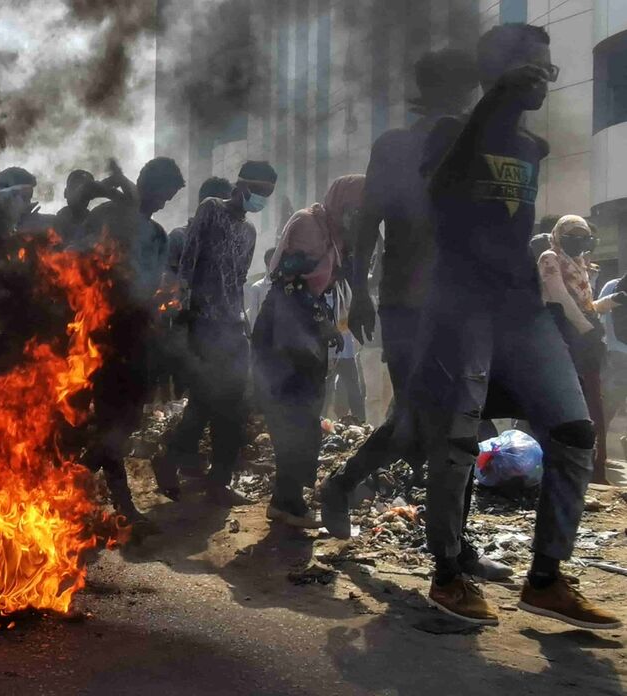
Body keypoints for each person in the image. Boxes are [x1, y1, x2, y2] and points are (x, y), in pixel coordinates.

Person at [409, 24, 620, 628]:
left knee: (576, 433)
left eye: (547, 73)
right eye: (530, 71)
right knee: (456, 444)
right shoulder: (456, 132)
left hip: (520, 310)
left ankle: (546, 579)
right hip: (461, 307)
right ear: (495, 73)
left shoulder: (531, 146)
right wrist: (494, 102)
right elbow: (441, 194)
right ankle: (448, 572)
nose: (542, 84)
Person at [322, 48, 483, 542]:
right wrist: (361, 292)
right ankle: (452, 545)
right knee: (426, 420)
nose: (463, 97)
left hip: (460, 304)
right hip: (407, 304)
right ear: (437, 92)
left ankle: (347, 487)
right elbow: (369, 218)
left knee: (450, 421)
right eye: (457, 88)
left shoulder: (471, 142)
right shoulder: (395, 146)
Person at [154, 162, 274, 504]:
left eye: (267, 195)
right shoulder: (211, 210)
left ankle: (217, 480)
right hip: (202, 322)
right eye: (260, 192)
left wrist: (243, 323)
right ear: (242, 186)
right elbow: (188, 265)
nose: (261, 200)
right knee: (207, 398)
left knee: (234, 406)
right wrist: (182, 319)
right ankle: (171, 458)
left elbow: (237, 282)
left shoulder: (249, 233)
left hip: (231, 326)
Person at [77, 157, 184, 527]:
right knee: (110, 420)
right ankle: (116, 502)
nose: (164, 202)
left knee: (126, 420)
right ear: (144, 183)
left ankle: (73, 480)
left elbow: (152, 284)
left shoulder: (156, 234)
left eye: (169, 198)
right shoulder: (109, 215)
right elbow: (75, 259)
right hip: (100, 333)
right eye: (162, 193)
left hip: (136, 334)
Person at [252, 175, 363, 526]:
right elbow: (290, 283)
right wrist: (320, 322)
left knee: (307, 416)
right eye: (354, 207)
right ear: (341, 201)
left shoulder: (336, 236)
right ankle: (287, 500)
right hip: (282, 330)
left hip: (304, 329)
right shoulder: (308, 225)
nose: (357, 215)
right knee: (293, 417)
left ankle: (288, 497)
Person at [538, 215, 624, 485]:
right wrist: (587, 329)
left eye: (583, 236)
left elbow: (588, 305)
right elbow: (560, 298)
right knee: (565, 407)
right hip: (561, 338)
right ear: (558, 234)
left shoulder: (579, 265)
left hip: (583, 342)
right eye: (572, 234)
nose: (578, 240)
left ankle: (595, 472)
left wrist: (614, 300)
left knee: (593, 408)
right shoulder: (550, 258)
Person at [153, 176, 235, 404]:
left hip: (218, 334)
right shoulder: (179, 238)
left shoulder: (228, 244)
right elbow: (167, 284)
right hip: (184, 331)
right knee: (182, 393)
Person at [600, 272, 627, 465]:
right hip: (618, 357)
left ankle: (598, 459)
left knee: (605, 414)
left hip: (614, 355)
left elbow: (599, 314)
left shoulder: (611, 285)